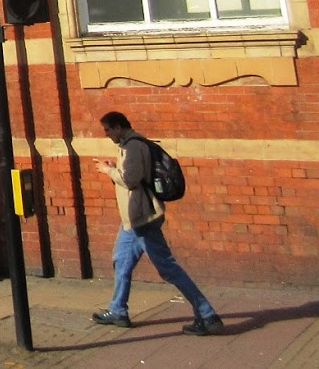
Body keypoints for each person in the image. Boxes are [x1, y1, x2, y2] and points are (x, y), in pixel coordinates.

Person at [91, 111, 223, 336]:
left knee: (168, 268)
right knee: (121, 260)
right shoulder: (130, 144)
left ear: (118, 127)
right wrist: (115, 167)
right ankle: (117, 309)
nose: (106, 134)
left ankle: (207, 314)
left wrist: (108, 171)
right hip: (132, 220)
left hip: (142, 217)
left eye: (107, 130)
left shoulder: (132, 146)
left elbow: (130, 180)